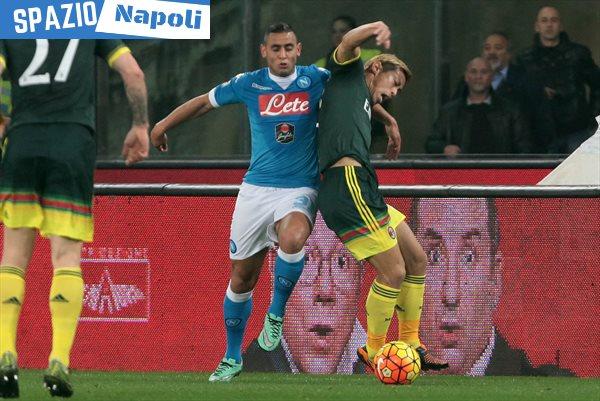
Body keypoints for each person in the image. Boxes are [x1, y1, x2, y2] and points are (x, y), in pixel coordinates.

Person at [150, 22, 332, 382]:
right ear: (264, 52)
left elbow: (355, 95)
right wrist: (162, 125)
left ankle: (275, 315)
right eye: (276, 49)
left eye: (289, 48)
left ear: (299, 49)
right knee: (242, 278)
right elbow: (204, 102)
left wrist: (387, 120)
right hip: (255, 191)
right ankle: (232, 357)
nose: (283, 55)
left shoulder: (317, 78)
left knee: (293, 237)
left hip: (300, 186)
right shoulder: (249, 84)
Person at [0, 39, 149, 398]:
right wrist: (140, 125)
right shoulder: (88, 18)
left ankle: (5, 353)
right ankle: (59, 360)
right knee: (66, 257)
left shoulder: (11, 19)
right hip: (71, 143)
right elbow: (133, 73)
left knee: (13, 257)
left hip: (23, 141)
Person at [315, 21, 448, 373]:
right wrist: (377, 28)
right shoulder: (347, 73)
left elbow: (369, 103)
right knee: (394, 272)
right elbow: (348, 41)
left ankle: (412, 345)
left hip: (363, 185)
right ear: (375, 67)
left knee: (416, 259)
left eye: (399, 90)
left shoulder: (360, 96)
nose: (394, 92)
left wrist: (389, 121)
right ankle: (374, 350)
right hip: (347, 184)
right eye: (394, 82)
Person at [412, 197, 574, 376]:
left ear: (495, 278)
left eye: (468, 257)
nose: (451, 295)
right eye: (434, 256)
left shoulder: (551, 386)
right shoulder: (390, 380)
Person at [243, 213, 368, 374]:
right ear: (276, 266)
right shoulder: (248, 372)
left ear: (360, 273)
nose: (325, 291)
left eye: (341, 262)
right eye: (306, 259)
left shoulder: (379, 365)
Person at [516, 6, 600, 153]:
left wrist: (593, 120)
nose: (549, 25)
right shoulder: (525, 59)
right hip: (539, 132)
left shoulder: (578, 54)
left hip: (576, 128)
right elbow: (519, 94)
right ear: (537, 26)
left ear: (561, 26)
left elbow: (597, 85)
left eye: (553, 20)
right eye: (544, 20)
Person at [426, 57, 531, 154]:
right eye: (473, 72)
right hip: (461, 168)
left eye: (484, 72)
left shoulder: (510, 111)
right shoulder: (450, 111)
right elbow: (431, 143)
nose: (478, 77)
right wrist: (444, 148)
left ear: (492, 77)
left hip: (499, 168)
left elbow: (524, 147)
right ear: (466, 77)